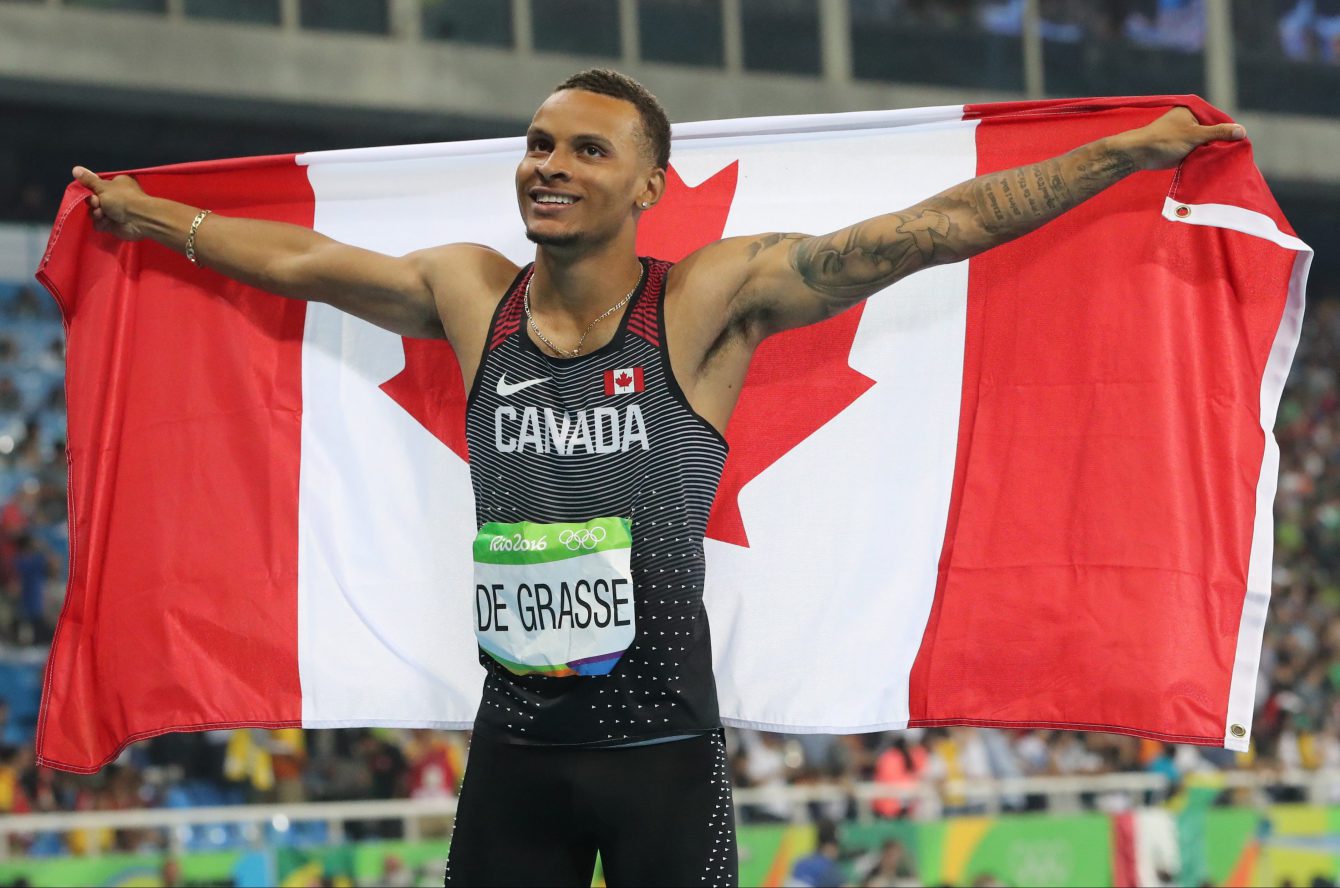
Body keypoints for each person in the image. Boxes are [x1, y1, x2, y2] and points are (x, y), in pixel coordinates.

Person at [70, 68, 1245, 888]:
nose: (551, 165)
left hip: (659, 763)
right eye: (538, 143)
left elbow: (924, 230)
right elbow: (301, 260)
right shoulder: (471, 295)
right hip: (515, 752)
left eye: (588, 149)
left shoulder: (696, 306)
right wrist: (148, 214)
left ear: (647, 189)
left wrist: (1116, 155)